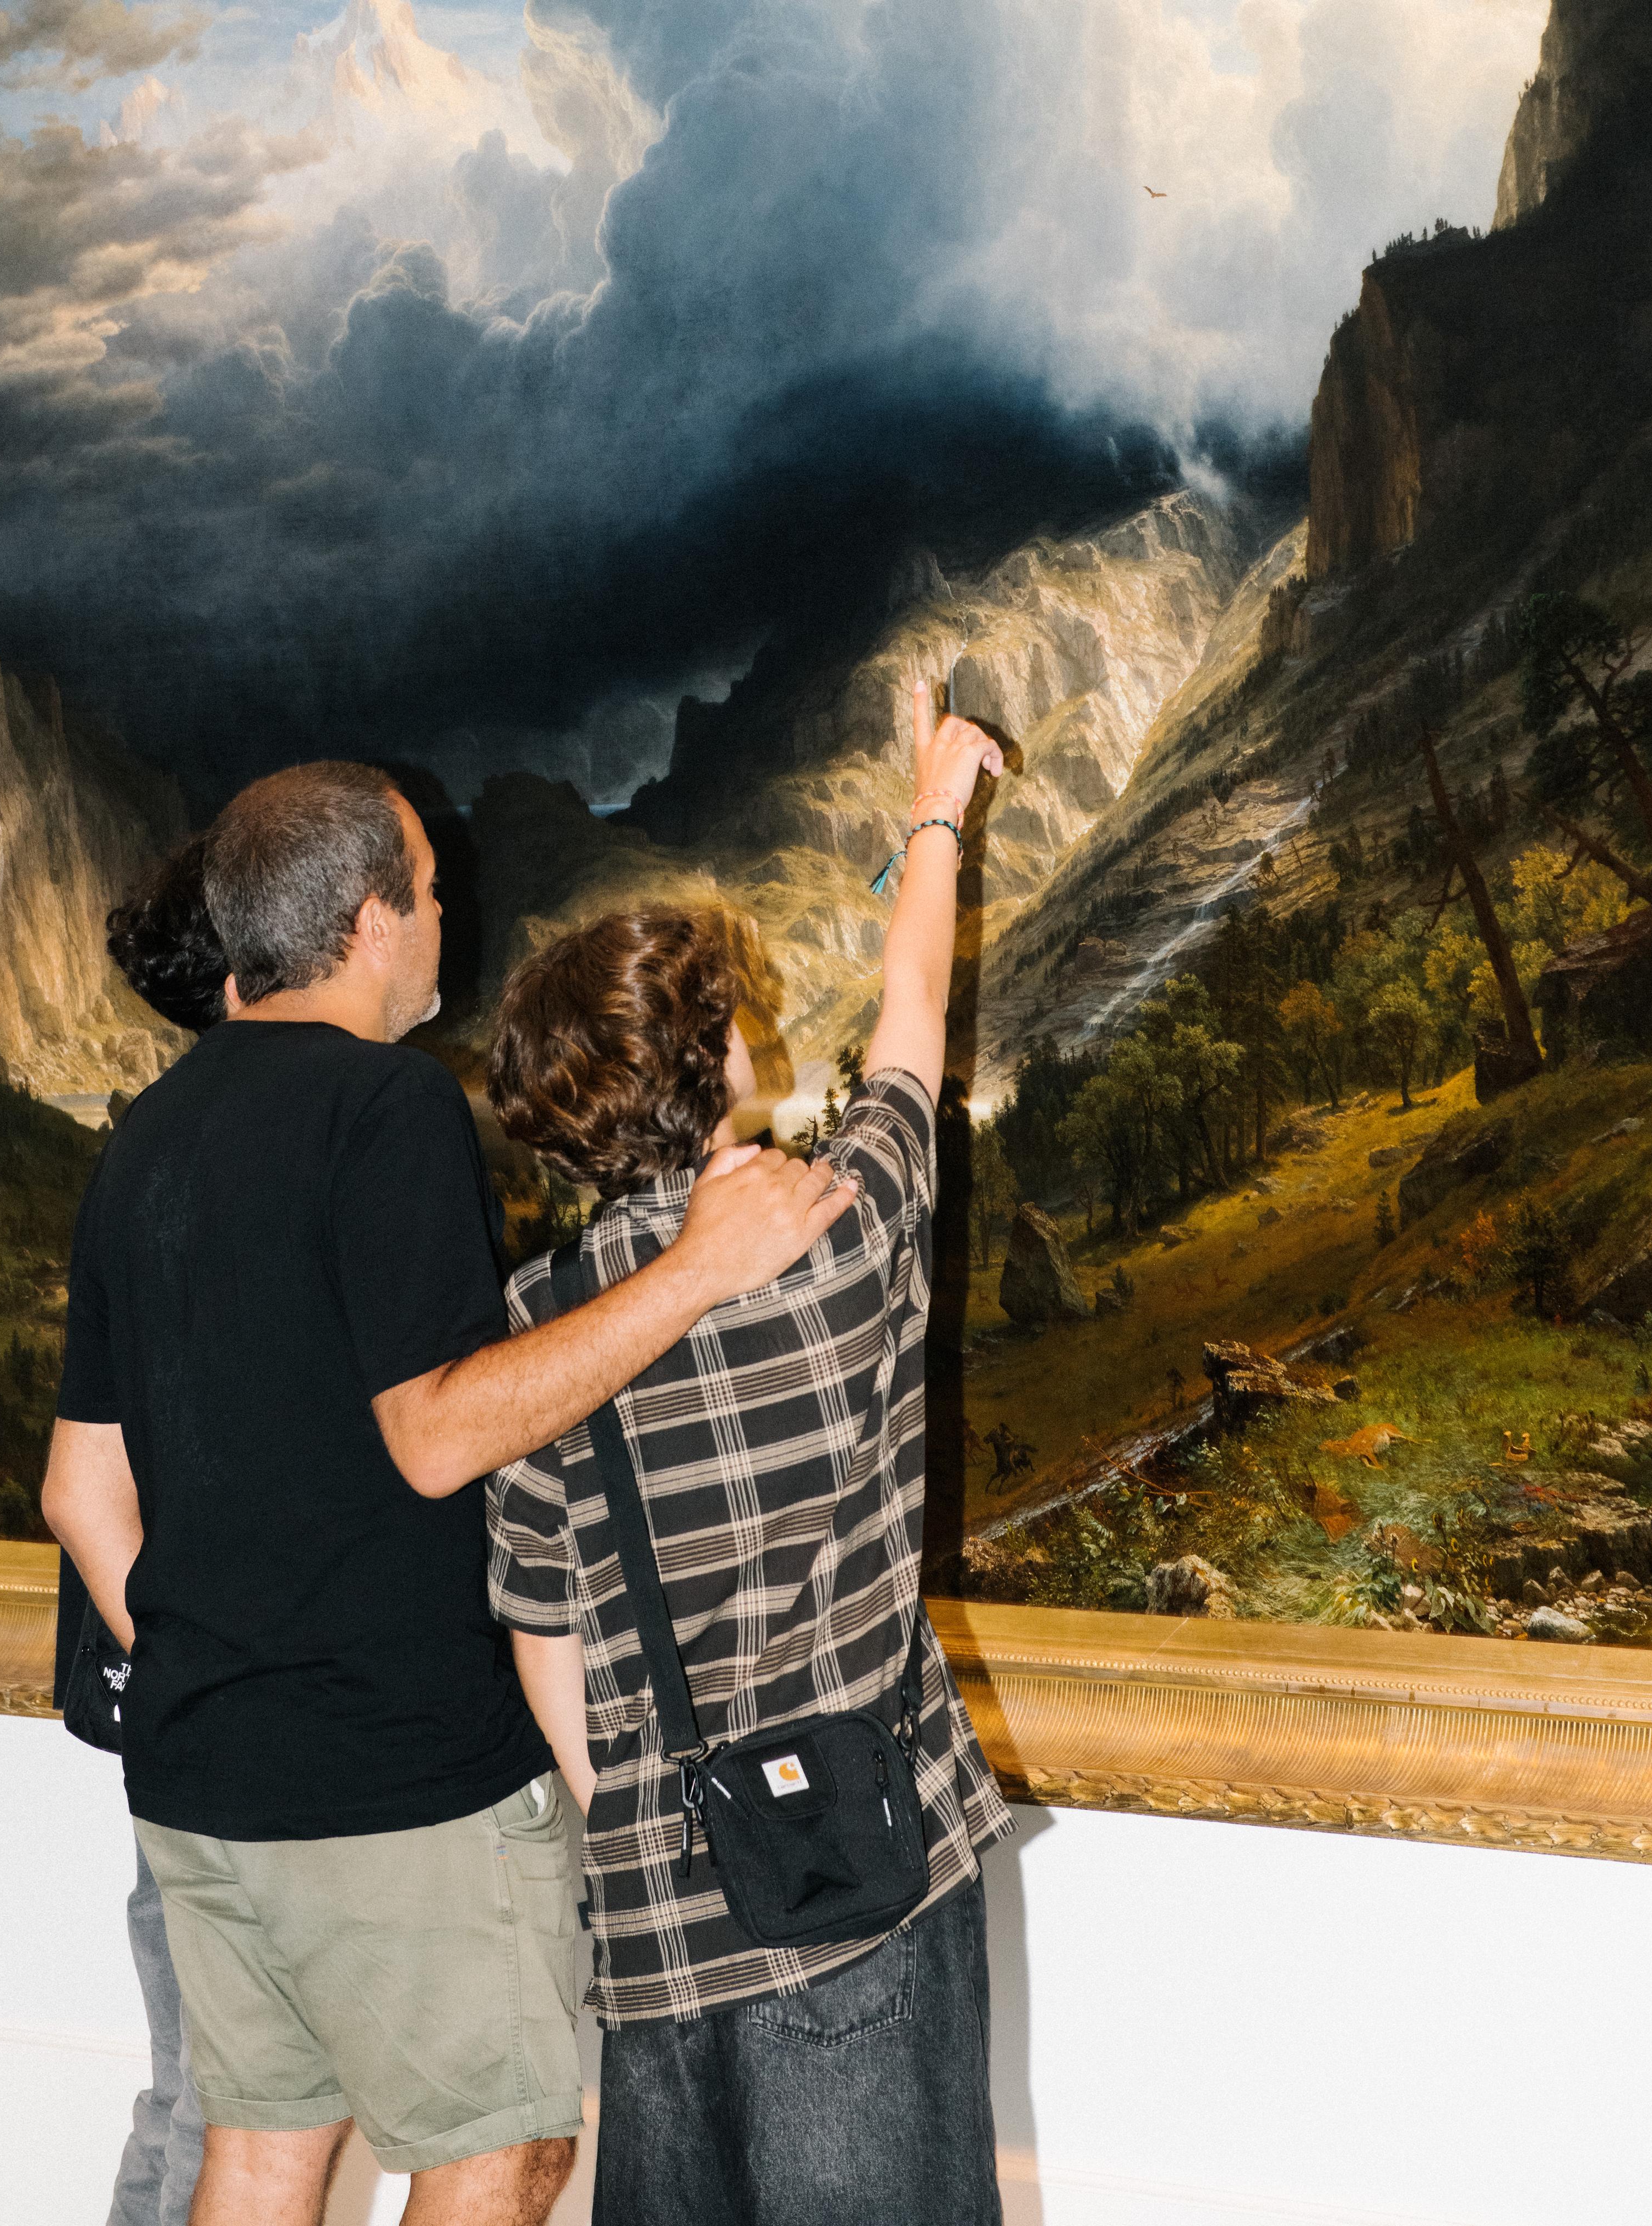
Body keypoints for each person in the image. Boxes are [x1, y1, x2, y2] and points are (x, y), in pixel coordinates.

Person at [42, 760, 858, 2226]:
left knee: (262, 2155)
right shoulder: (387, 1107)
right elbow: (434, 1434)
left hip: (198, 1774)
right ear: (370, 921)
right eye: (431, 890)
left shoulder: (147, 1137)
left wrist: (216, 1664)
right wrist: (695, 1272)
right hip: (394, 1767)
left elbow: (80, 1489)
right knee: (502, 2151)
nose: (444, 917)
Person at [487, 686, 1015, 2226]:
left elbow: (540, 1635)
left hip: (657, 1922)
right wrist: (937, 813)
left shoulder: (546, 1325)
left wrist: (645, 1817)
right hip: (863, 1885)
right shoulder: (837, 1235)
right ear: (711, 1066)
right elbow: (911, 1030)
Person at [53, 835, 232, 2226]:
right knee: (214, 2090)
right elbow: (82, 1486)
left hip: (175, 1696)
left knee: (201, 2084)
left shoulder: (158, 1147)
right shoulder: (184, 1164)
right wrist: (196, 1666)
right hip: (190, 1703)